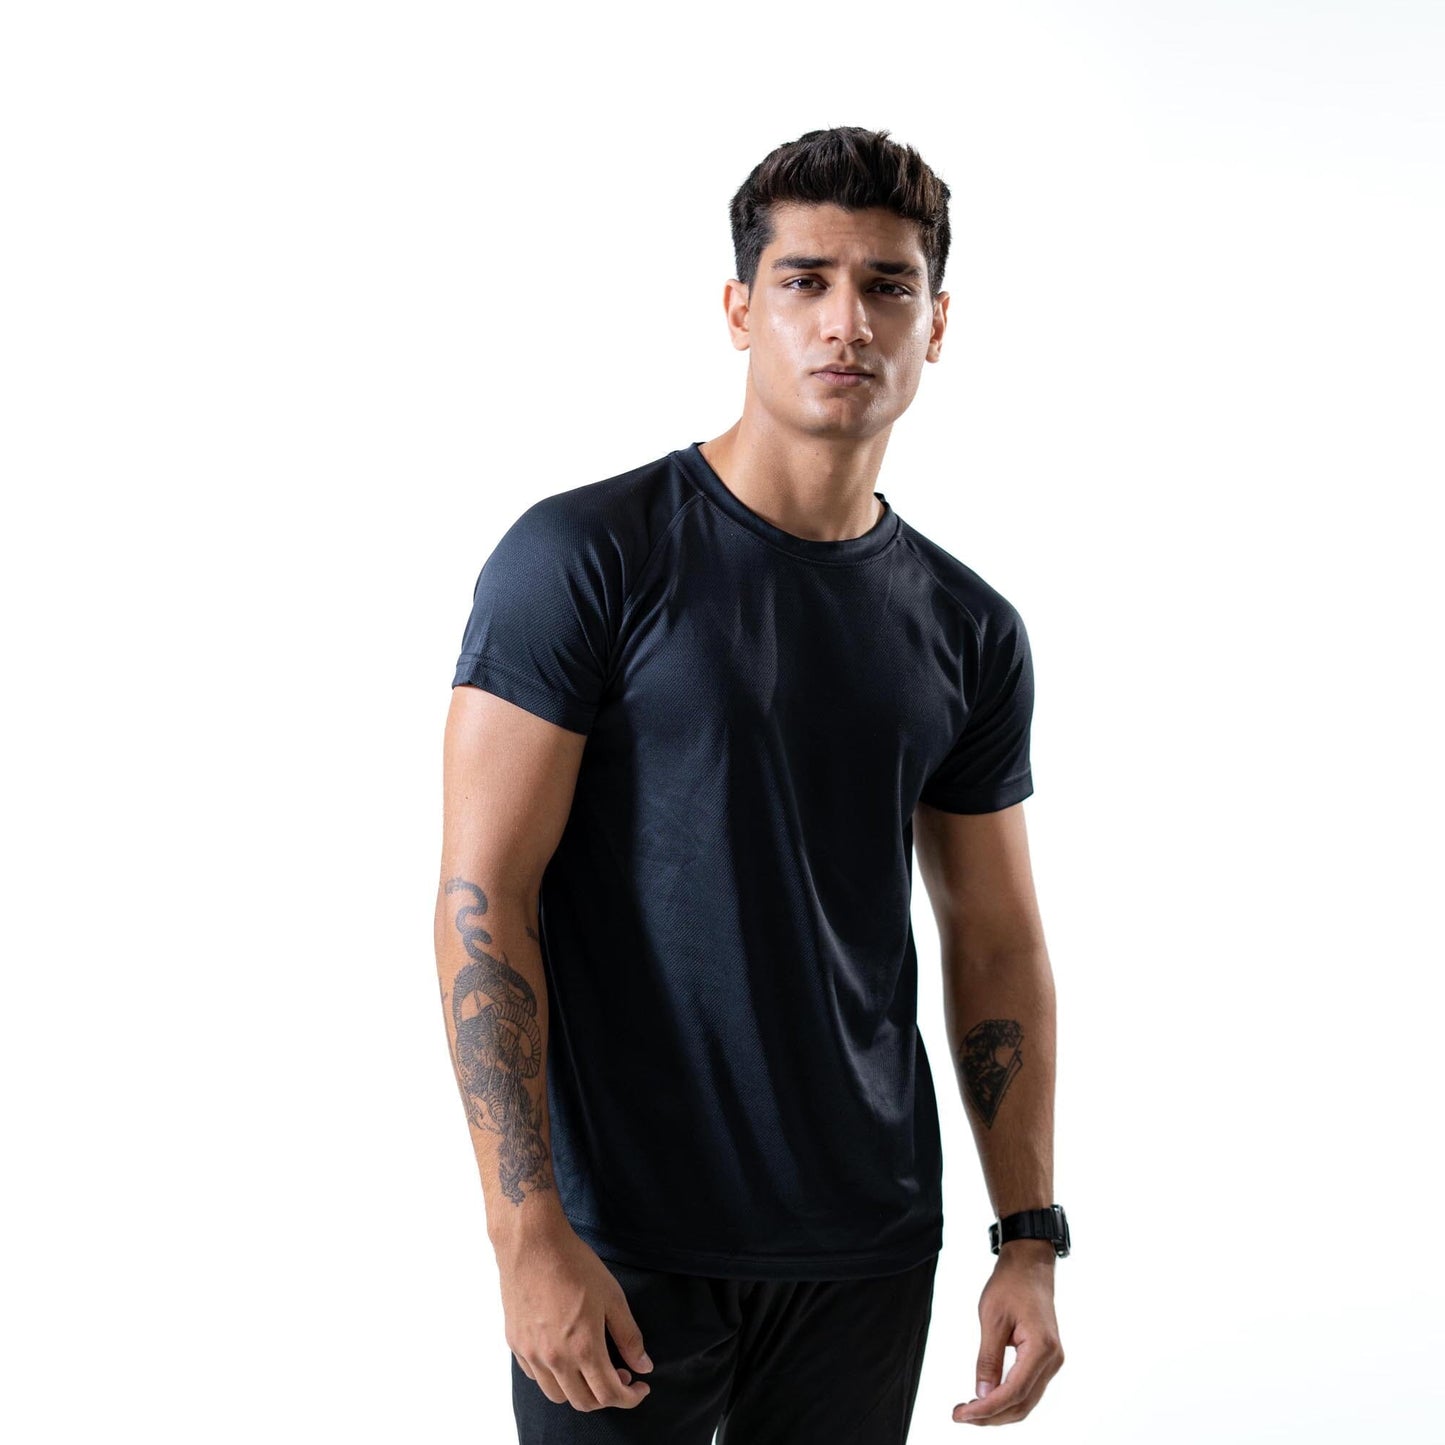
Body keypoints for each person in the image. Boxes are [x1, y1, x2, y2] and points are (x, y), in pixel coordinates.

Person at [434, 125, 1067, 1442]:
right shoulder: (585, 557)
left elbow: (996, 939)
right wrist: (523, 1229)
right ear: (739, 309)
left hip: (866, 1244)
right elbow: (484, 896)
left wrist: (1028, 1236)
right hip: (624, 1242)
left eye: (887, 286)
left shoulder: (969, 628)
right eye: (804, 281)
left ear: (937, 323)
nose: (847, 321)